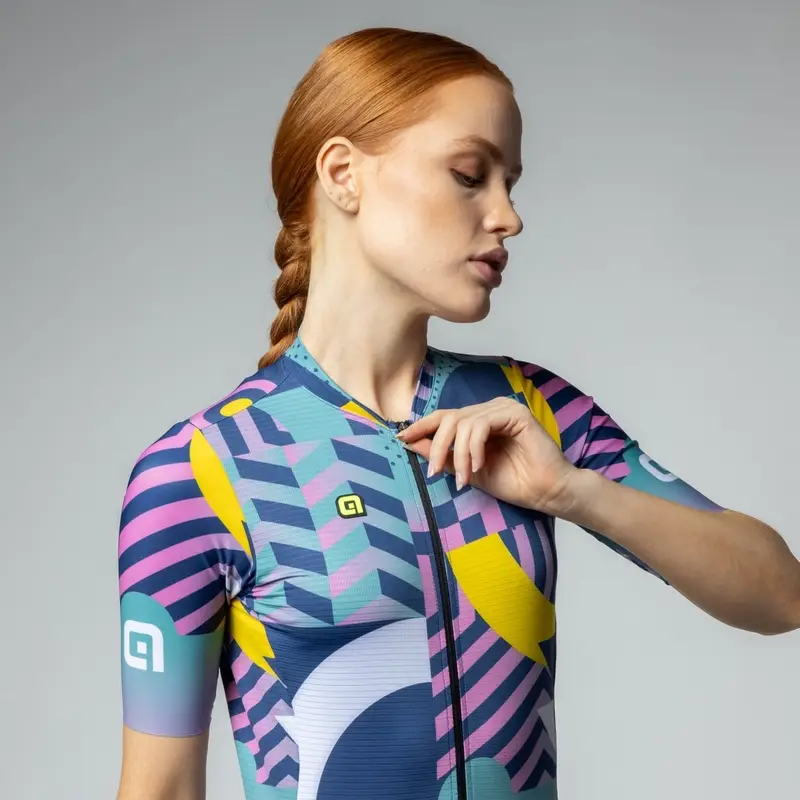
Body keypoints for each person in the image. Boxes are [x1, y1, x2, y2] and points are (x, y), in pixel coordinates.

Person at [115, 26, 800, 800]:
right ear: (343, 174)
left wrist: (570, 491)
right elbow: (159, 789)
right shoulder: (204, 472)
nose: (508, 217)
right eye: (470, 175)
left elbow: (782, 594)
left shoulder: (530, 411)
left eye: (511, 183)